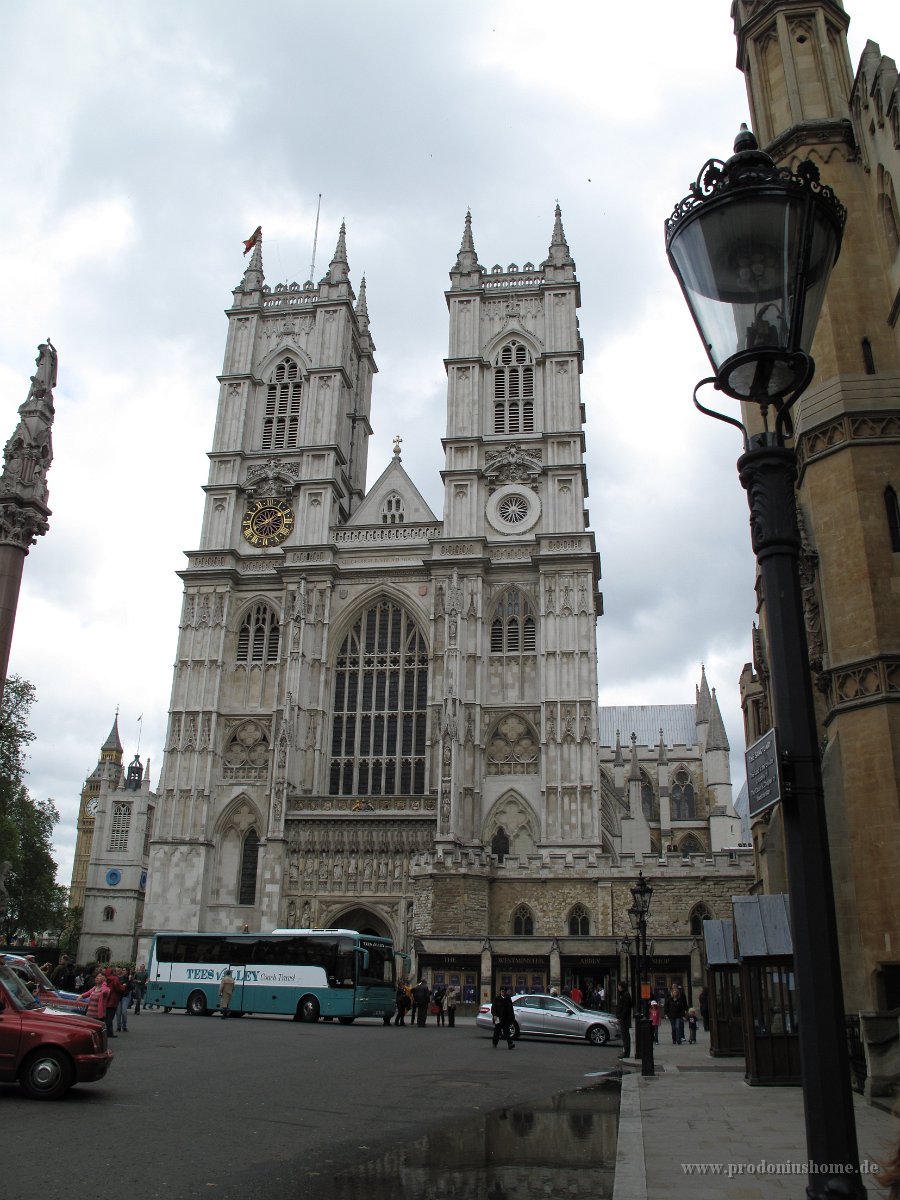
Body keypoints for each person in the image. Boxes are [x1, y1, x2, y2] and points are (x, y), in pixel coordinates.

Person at [616, 981, 633, 1058]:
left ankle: (626, 1052)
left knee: (625, 1035)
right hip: (623, 1017)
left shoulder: (625, 995)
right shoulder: (623, 994)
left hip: (624, 1018)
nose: (618, 988)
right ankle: (626, 1051)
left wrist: (621, 1016)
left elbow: (626, 1008)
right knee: (624, 1035)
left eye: (619, 986)